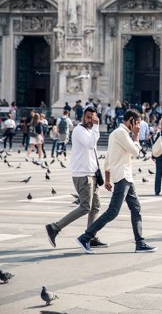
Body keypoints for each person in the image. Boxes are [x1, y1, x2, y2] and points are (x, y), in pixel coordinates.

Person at [76, 109, 157, 253]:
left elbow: (108, 158)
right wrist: (137, 135)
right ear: (130, 120)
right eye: (137, 123)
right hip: (122, 177)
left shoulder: (116, 133)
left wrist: (107, 178)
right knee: (113, 211)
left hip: (126, 177)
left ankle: (140, 242)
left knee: (136, 209)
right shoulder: (121, 133)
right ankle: (86, 236)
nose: (138, 126)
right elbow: (136, 152)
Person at [45, 106, 106, 249]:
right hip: (82, 175)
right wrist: (97, 127)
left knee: (95, 207)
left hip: (92, 174)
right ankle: (54, 227)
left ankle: (91, 236)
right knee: (85, 207)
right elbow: (91, 145)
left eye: (93, 117)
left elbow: (92, 152)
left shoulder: (90, 131)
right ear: (83, 117)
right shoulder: (79, 130)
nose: (91, 120)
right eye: (88, 117)